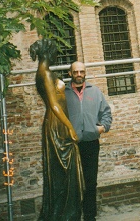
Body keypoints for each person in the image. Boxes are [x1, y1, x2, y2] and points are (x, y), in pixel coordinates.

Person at [30, 39, 84, 221]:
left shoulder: (45, 72)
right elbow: (54, 105)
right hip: (57, 125)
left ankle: (66, 213)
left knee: (63, 171)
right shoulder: (44, 73)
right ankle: (63, 214)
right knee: (63, 171)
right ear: (47, 53)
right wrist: (70, 128)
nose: (55, 56)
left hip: (58, 123)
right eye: (54, 53)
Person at [65, 61, 112, 221]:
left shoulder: (95, 91)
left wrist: (101, 128)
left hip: (91, 144)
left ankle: (90, 217)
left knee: (90, 183)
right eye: (76, 72)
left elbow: (106, 112)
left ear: (85, 73)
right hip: (70, 146)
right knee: (73, 184)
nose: (79, 74)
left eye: (82, 72)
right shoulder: (63, 93)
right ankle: (74, 216)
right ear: (70, 73)